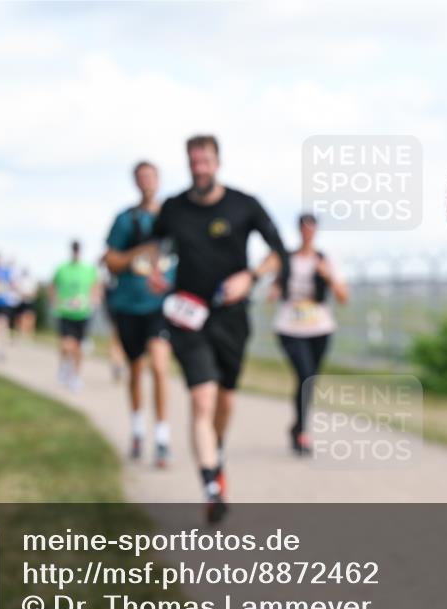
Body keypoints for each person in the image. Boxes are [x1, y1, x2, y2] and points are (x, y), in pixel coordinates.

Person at [147, 135, 288, 524]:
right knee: (202, 400)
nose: (199, 168)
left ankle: (216, 453)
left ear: (217, 162)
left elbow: (279, 251)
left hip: (232, 317)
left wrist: (252, 276)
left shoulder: (244, 205)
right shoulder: (174, 207)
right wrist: (155, 270)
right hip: (187, 316)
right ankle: (212, 486)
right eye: (193, 162)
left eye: (205, 161)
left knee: (226, 402)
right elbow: (156, 244)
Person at [103, 161, 175, 467]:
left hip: (160, 306)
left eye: (151, 176)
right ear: (135, 182)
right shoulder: (124, 219)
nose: (147, 181)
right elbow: (111, 261)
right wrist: (139, 252)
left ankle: (161, 438)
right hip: (129, 304)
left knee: (159, 367)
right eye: (141, 177)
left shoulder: (173, 217)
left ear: (158, 180)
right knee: (135, 369)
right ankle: (136, 430)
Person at [262, 213, 348, 454]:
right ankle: (302, 433)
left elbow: (343, 297)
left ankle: (298, 427)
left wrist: (328, 276)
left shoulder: (325, 260)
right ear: (299, 230)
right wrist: (274, 288)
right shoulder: (286, 259)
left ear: (316, 231)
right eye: (303, 228)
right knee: (305, 374)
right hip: (290, 326)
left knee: (309, 381)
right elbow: (273, 288)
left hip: (319, 326)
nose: (307, 232)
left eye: (311, 228)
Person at [50, 241, 99, 392]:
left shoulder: (89, 269)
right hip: (65, 312)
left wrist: (93, 301)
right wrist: (55, 302)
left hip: (83, 313)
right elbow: (52, 286)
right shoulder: (62, 268)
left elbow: (96, 286)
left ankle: (75, 376)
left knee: (79, 348)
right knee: (66, 344)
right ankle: (65, 365)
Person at [13, 267, 39, 339]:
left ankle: (29, 334)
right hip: (21, 302)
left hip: (29, 302)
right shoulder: (20, 280)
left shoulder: (32, 281)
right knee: (19, 319)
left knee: (30, 318)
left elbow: (34, 293)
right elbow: (16, 289)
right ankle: (19, 334)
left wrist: (27, 295)